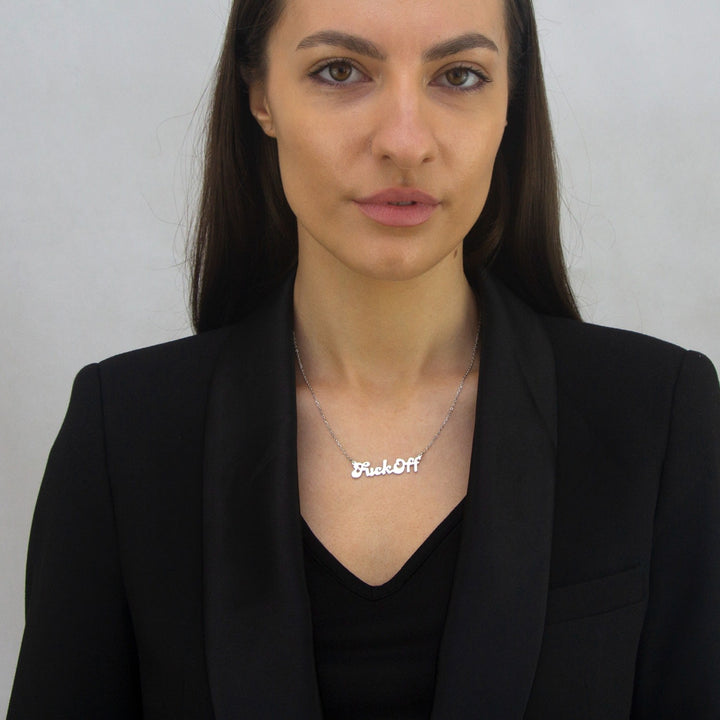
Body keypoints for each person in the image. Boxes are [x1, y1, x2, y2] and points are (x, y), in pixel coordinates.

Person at [8, 0, 720, 717]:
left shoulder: (657, 420)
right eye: (340, 71)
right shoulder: (123, 436)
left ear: (512, 101)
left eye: (460, 76)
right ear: (260, 95)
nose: (404, 142)